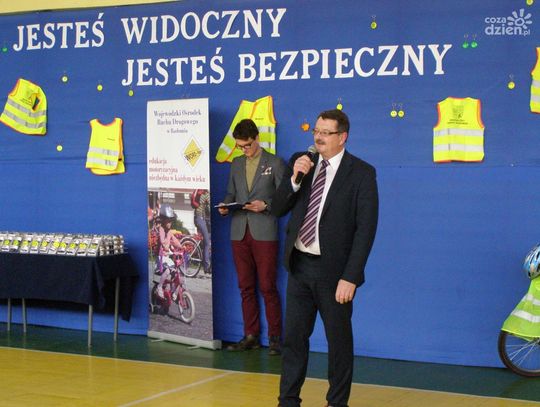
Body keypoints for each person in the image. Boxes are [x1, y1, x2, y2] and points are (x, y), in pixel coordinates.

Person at [271, 109, 379, 407]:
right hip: (299, 266)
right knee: (293, 340)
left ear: (342, 137)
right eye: (316, 131)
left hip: (335, 273)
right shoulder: (302, 162)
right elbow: (277, 209)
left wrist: (351, 277)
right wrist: (294, 180)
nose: (318, 137)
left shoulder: (361, 173)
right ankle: (288, 401)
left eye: (325, 133)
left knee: (338, 343)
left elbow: (365, 230)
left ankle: (336, 402)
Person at [218, 118, 285, 356]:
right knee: (245, 286)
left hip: (264, 231)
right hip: (239, 231)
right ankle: (251, 335)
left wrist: (265, 204)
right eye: (240, 146)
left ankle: (275, 338)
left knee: (267, 286)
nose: (244, 150)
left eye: (247, 145)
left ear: (257, 138)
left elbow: (285, 196)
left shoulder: (275, 163)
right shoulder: (236, 164)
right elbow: (231, 193)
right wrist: (225, 205)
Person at [155, 204, 183, 302]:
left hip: (167, 258)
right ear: (163, 220)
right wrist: (166, 247)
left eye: (171, 221)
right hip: (161, 258)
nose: (170, 223)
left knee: (177, 274)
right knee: (167, 271)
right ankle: (159, 287)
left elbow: (175, 241)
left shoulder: (170, 231)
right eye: (168, 221)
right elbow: (162, 240)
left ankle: (174, 292)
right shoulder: (162, 229)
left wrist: (181, 246)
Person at [192, 188, 211, 274]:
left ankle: (206, 262)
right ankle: (206, 267)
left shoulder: (202, 193)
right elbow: (210, 208)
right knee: (207, 243)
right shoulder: (205, 194)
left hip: (200, 218)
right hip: (200, 219)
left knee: (208, 240)